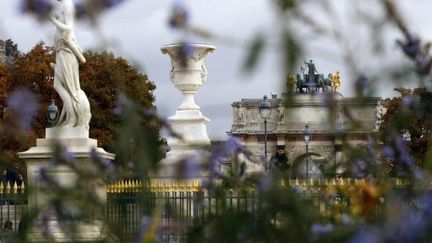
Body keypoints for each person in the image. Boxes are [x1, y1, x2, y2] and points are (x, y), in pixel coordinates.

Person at [49, 0, 91, 128]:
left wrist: (52, 20)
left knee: (71, 88)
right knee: (58, 85)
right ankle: (71, 118)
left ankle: (72, 119)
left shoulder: (68, 4)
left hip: (67, 51)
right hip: (60, 51)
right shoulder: (61, 5)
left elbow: (69, 27)